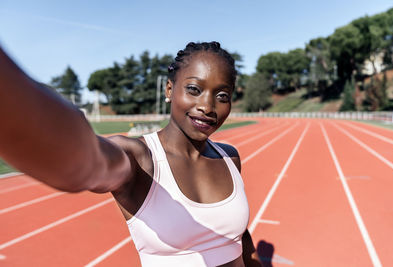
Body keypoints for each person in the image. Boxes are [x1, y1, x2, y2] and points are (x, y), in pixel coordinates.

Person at [0, 41, 261, 266]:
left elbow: (239, 239)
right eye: (194, 89)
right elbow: (85, 162)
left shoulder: (229, 157)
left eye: (222, 95)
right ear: (169, 90)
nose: (207, 105)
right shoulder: (140, 159)